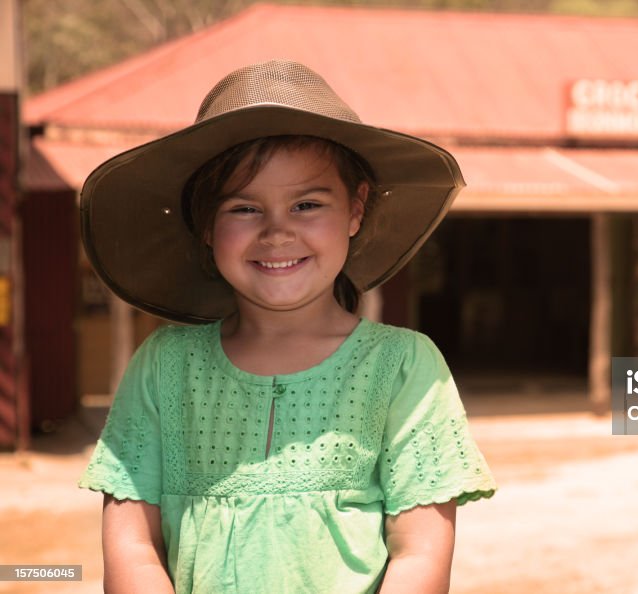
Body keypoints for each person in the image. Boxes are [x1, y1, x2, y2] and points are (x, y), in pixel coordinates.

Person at [78, 60, 496, 594]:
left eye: (306, 204)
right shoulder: (164, 366)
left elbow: (420, 552)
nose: (278, 233)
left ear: (356, 209)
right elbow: (132, 546)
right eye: (245, 208)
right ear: (206, 226)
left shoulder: (403, 366)